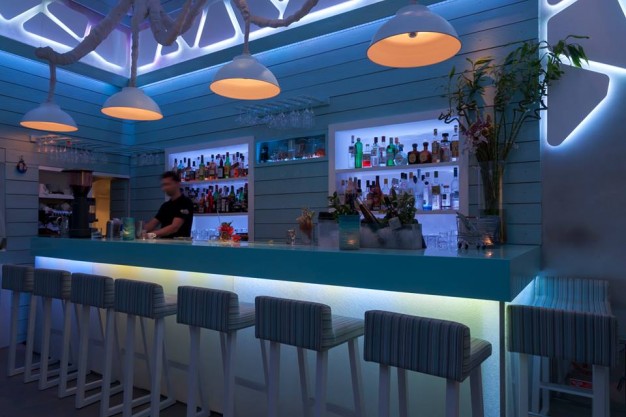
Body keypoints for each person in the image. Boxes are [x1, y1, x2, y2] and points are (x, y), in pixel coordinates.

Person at [144, 171, 194, 238]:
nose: (165, 188)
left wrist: (151, 235)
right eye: (163, 185)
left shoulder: (185, 203)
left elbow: (174, 227)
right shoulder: (165, 206)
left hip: (180, 243)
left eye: (167, 184)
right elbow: (153, 223)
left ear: (177, 184)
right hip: (164, 243)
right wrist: (141, 231)